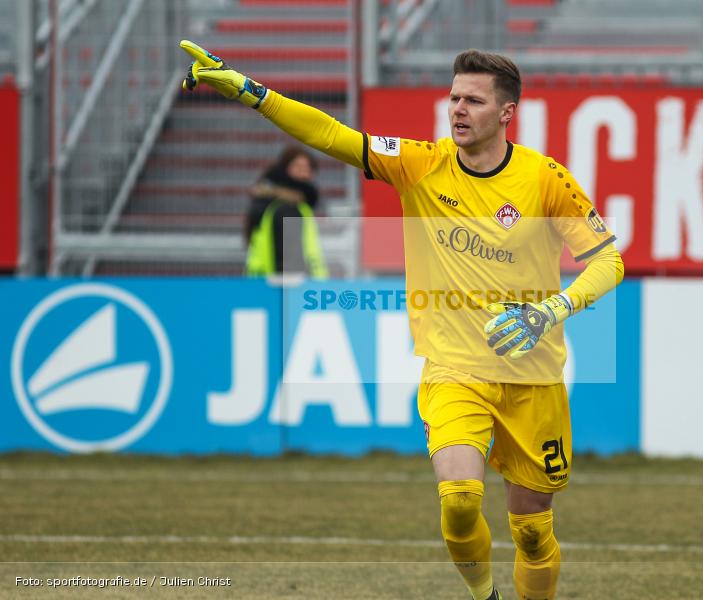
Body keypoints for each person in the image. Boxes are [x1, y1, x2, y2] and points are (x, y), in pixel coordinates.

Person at [181, 40, 624, 600]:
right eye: (453, 97)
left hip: (534, 378)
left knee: (533, 531)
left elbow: (608, 260)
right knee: (460, 501)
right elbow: (331, 135)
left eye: (474, 101)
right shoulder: (421, 164)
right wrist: (253, 93)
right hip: (454, 370)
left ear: (507, 113)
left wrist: (552, 308)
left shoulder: (544, 179)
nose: (458, 109)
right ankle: (484, 595)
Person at [244, 145, 329, 278]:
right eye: (298, 167)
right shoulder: (287, 208)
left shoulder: (279, 204)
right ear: (285, 169)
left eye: (308, 169)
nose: (304, 173)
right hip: (280, 287)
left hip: (264, 284)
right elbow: (287, 259)